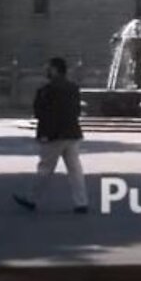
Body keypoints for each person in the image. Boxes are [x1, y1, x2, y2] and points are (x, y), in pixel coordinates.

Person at [14, 57, 88, 214]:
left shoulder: (47, 89)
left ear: (54, 69)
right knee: (75, 170)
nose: (45, 70)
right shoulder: (73, 88)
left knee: (45, 168)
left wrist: (45, 135)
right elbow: (76, 111)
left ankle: (32, 199)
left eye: (47, 68)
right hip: (72, 133)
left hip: (54, 136)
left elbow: (42, 113)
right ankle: (81, 202)